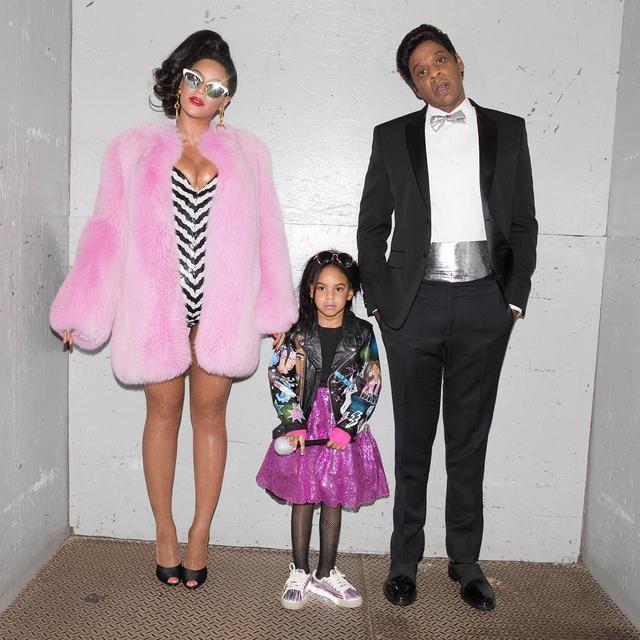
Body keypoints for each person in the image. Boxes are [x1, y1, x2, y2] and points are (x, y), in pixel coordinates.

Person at [49, 30, 297, 590]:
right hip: (155, 309)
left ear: (226, 100)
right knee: (161, 416)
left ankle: (200, 532)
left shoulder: (250, 154)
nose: (202, 91)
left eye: (216, 87)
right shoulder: (132, 148)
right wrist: (82, 309)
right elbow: (107, 231)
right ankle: (163, 530)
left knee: (211, 418)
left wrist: (276, 314)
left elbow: (268, 235)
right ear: (178, 80)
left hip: (222, 311)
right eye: (194, 78)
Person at [357, 24, 537, 610]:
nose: (433, 74)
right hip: (414, 306)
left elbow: (523, 222)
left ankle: (465, 561)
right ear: (414, 87)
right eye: (420, 72)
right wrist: (381, 304)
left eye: (439, 61)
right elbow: (371, 227)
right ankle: (404, 560)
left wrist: (512, 298)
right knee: (413, 441)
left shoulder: (509, 131)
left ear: (458, 62)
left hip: (486, 302)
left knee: (468, 440)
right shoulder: (391, 138)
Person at [256, 251, 389, 610]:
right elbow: (280, 376)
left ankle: (326, 573)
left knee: (333, 496)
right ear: (311, 291)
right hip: (304, 425)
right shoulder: (296, 332)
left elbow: (371, 382)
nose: (330, 296)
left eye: (338, 289)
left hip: (340, 427)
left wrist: (348, 427)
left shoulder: (362, 333)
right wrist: (293, 422)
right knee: (303, 496)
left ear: (351, 292)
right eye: (322, 288)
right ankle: (299, 571)